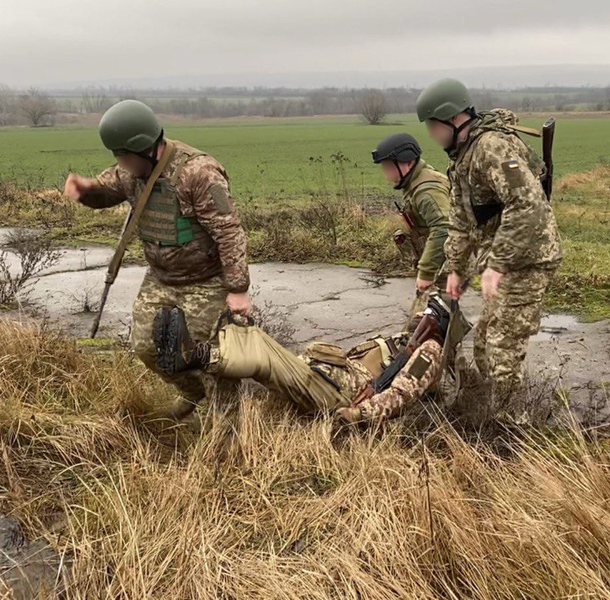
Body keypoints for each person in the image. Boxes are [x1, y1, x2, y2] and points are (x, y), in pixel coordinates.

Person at [63, 100, 250, 419]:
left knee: (215, 361)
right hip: (161, 279)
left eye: (124, 155)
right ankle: (193, 393)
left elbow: (229, 230)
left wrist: (237, 289)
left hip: (207, 280)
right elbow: (106, 191)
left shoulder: (199, 172)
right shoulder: (129, 171)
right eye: (117, 156)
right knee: (147, 347)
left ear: (146, 148)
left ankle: (227, 440)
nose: (121, 163)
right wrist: (85, 191)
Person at [416, 78, 562, 425]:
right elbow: (461, 220)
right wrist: (456, 269)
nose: (432, 135)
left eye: (434, 127)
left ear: (454, 120)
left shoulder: (492, 148)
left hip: (528, 259)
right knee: (482, 344)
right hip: (507, 261)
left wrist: (496, 264)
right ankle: (490, 414)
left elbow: (528, 205)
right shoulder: (463, 156)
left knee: (500, 349)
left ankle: (514, 429)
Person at [151, 291, 472, 426]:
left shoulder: (429, 352)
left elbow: (401, 395)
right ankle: (197, 354)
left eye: (430, 315)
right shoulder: (407, 344)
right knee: (265, 353)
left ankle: (194, 355)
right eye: (424, 310)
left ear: (440, 328)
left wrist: (357, 414)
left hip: (342, 394)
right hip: (333, 379)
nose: (420, 315)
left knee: (265, 357)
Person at [372, 133, 451, 293]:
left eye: (389, 167)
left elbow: (444, 228)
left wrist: (427, 272)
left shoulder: (426, 192)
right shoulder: (415, 180)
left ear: (408, 162)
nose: (386, 174)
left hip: (447, 262)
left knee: (438, 310)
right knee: (440, 310)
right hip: (441, 260)